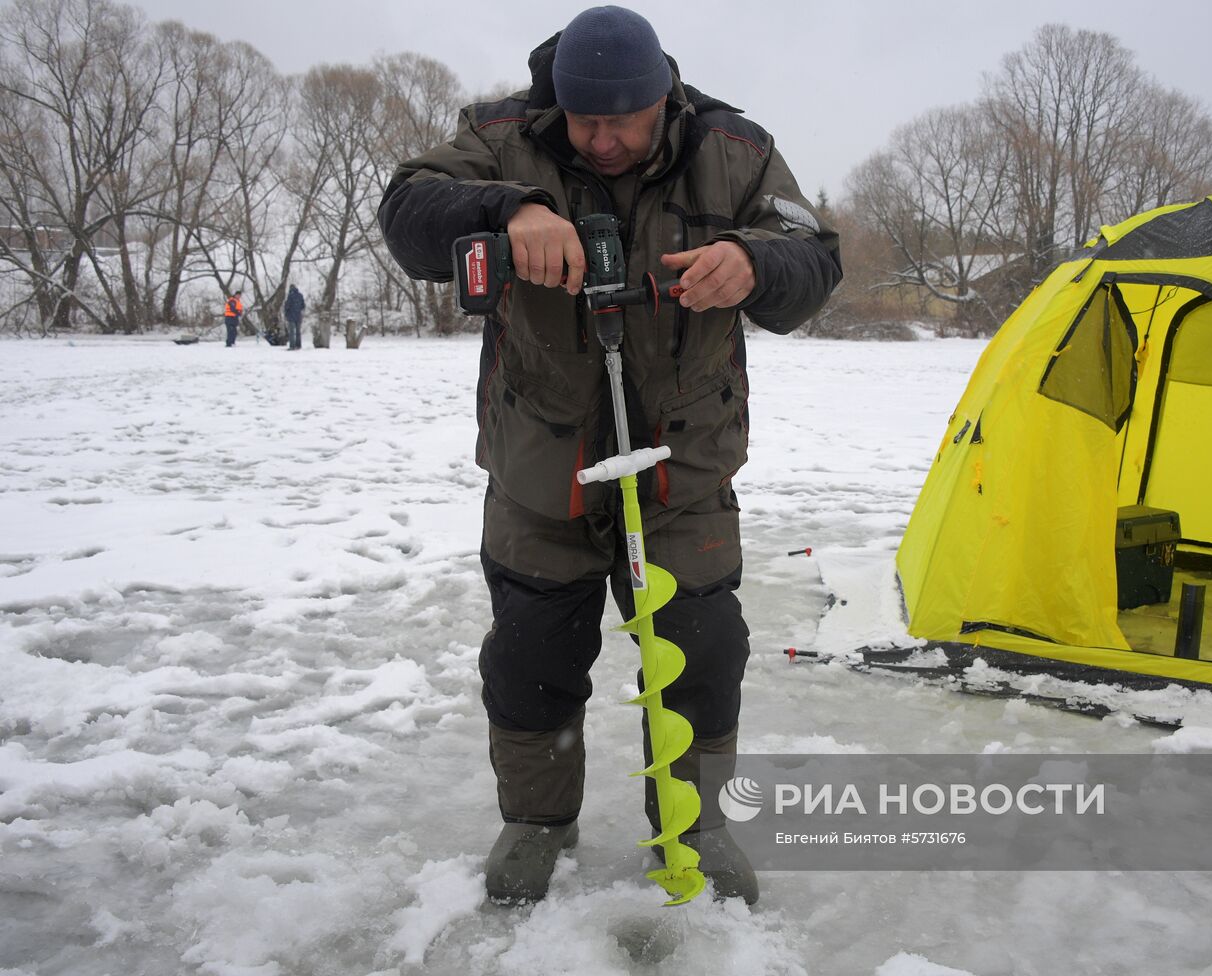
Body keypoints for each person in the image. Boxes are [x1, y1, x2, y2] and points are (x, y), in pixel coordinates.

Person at [378, 5, 840, 905]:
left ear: (661, 99)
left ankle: (697, 825)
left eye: (620, 122)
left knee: (703, 653)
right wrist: (507, 209)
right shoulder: (506, 137)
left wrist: (754, 261)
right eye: (584, 121)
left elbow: (815, 258)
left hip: (684, 472)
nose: (601, 140)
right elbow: (406, 210)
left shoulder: (735, 150)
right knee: (531, 657)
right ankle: (538, 822)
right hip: (539, 469)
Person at [283, 284, 305, 350]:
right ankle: (298, 345)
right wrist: (298, 310)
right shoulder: (300, 295)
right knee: (298, 332)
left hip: (291, 316)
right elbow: (303, 306)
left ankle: (292, 346)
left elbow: (287, 306)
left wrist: (286, 312)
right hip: (298, 316)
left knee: (292, 332)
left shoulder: (290, 296)